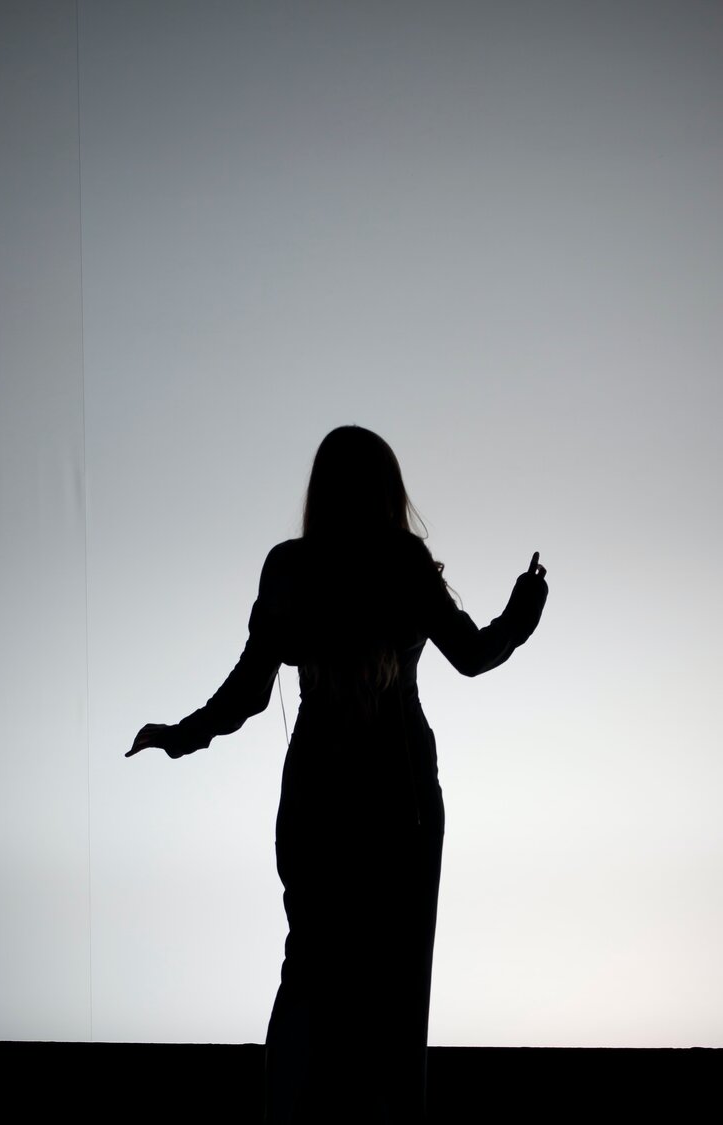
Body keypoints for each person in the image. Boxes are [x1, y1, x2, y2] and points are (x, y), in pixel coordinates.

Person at [127, 424, 549, 1123]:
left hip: (318, 791)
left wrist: (184, 734)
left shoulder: (291, 568)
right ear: (389, 488)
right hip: (402, 794)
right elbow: (473, 655)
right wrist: (523, 613)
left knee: (309, 971)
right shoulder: (404, 562)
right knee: (399, 985)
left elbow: (249, 691)